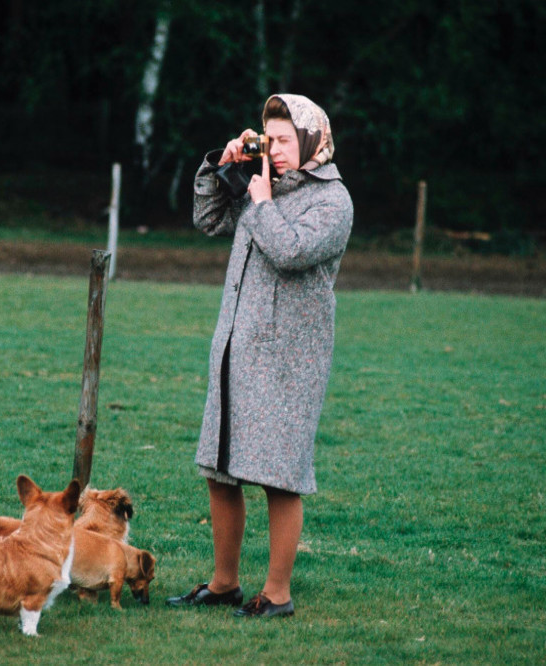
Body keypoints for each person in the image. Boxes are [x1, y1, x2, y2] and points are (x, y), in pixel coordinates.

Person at [166, 94, 353, 618]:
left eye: (287, 141)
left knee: (278, 475)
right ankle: (224, 583)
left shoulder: (332, 202)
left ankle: (277, 594)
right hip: (236, 346)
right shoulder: (258, 185)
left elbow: (290, 252)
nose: (277, 151)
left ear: (315, 140)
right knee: (221, 468)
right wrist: (220, 168)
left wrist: (263, 199)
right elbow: (207, 220)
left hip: (290, 358)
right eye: (271, 140)